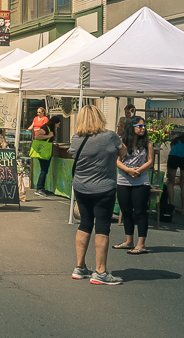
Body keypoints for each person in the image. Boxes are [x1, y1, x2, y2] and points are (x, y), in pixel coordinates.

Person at [70, 104, 126, 285]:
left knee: (85, 223)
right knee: (102, 226)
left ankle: (80, 267)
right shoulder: (109, 136)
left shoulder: (76, 138)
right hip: (103, 187)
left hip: (80, 186)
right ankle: (100, 271)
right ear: (100, 118)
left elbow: (72, 155)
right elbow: (123, 152)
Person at [115, 116, 154, 254]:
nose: (143, 128)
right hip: (123, 181)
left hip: (141, 182)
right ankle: (128, 241)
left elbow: (150, 162)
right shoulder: (122, 143)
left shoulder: (148, 144)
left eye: (144, 126)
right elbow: (117, 160)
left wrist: (138, 171)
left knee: (140, 213)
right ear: (132, 127)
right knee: (126, 212)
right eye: (139, 126)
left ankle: (141, 244)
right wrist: (127, 170)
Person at [31, 115, 63, 197]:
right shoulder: (45, 127)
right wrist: (49, 136)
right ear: (54, 123)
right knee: (44, 170)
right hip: (43, 151)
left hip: (46, 151)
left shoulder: (49, 128)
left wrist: (53, 143)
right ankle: (40, 188)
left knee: (44, 169)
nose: (58, 126)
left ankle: (41, 187)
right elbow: (37, 136)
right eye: (58, 124)